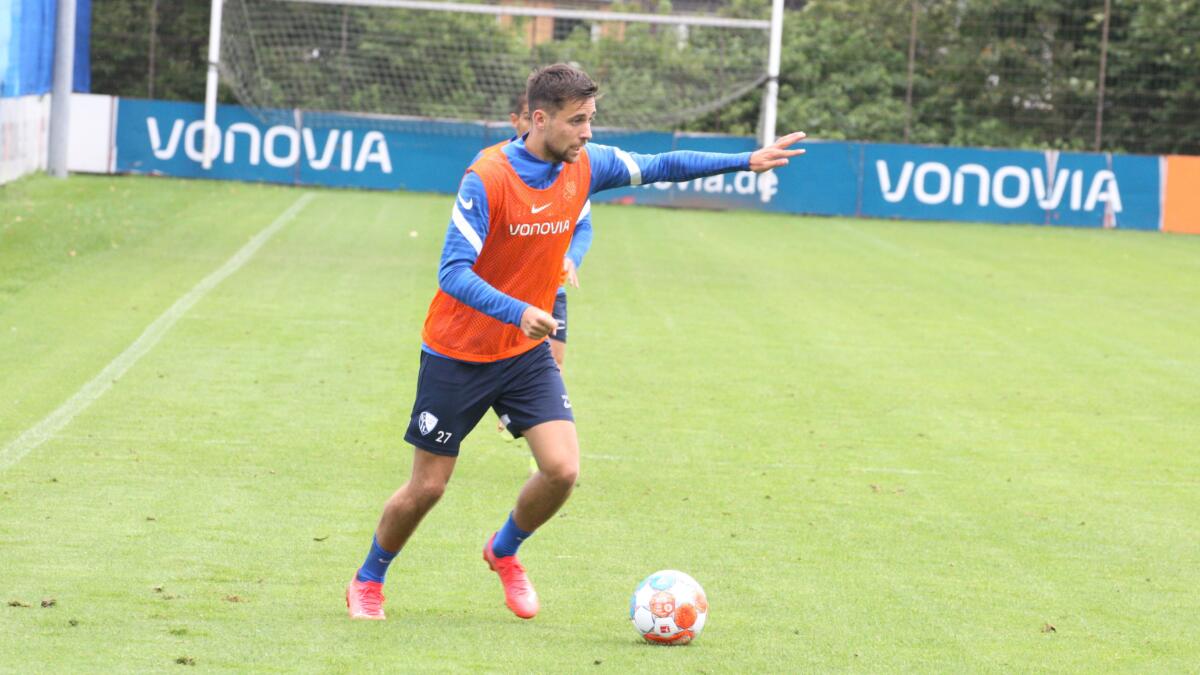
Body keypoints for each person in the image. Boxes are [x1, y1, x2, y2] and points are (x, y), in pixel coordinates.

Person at [346, 63, 806, 621]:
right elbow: (452, 272)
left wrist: (745, 159)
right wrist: (518, 311)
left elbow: (662, 164)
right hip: (458, 353)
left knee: (563, 470)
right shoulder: (487, 177)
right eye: (577, 121)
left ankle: (503, 551)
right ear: (539, 119)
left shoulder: (587, 164)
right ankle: (369, 578)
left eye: (592, 119)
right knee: (428, 488)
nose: (588, 132)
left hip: (523, 356)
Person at [483, 92, 592, 451]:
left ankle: (540, 430)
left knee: (552, 361)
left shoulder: (572, 169)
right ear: (520, 120)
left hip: (552, 291)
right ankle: (507, 406)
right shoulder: (495, 167)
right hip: (506, 296)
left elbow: (584, 225)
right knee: (497, 360)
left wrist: (571, 257)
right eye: (526, 118)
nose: (585, 132)